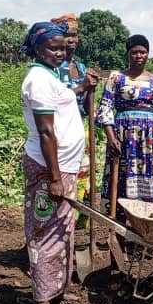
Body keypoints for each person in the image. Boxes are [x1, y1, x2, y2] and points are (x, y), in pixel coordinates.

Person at [20, 21, 99, 304]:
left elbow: (65, 103)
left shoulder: (51, 76)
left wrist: (82, 88)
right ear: (37, 48)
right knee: (45, 233)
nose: (59, 51)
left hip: (64, 166)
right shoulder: (38, 79)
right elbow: (46, 132)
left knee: (62, 231)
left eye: (62, 46)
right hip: (48, 168)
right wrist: (54, 178)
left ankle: (56, 291)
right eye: (52, 47)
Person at [96, 35, 153, 206]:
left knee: (151, 173)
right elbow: (105, 108)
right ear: (128, 54)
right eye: (134, 52)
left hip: (151, 137)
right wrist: (111, 137)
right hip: (123, 135)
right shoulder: (116, 77)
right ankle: (120, 222)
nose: (139, 56)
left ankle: (147, 220)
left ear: (147, 54)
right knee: (121, 173)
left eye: (143, 52)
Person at [51, 13, 92, 231]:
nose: (72, 40)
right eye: (67, 35)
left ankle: (73, 228)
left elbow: (85, 106)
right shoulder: (50, 68)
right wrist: (82, 87)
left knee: (81, 178)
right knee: (57, 179)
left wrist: (90, 90)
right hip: (57, 132)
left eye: (75, 35)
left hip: (79, 129)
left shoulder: (81, 67)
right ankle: (52, 228)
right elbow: (54, 100)